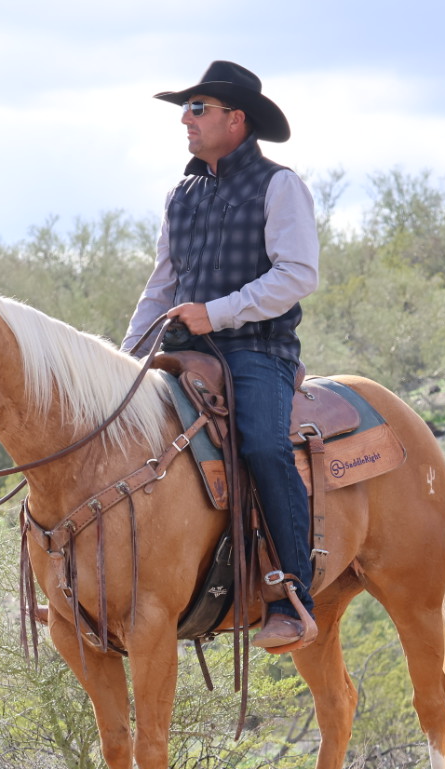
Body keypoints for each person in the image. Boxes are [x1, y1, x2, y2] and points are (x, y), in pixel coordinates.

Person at [123, 60, 321, 653]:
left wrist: (218, 312)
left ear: (236, 119)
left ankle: (291, 594)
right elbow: (162, 286)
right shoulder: (179, 196)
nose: (185, 119)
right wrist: (125, 359)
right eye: (186, 108)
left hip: (257, 351)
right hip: (184, 353)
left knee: (262, 445)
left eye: (197, 108)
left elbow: (297, 275)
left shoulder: (279, 185)